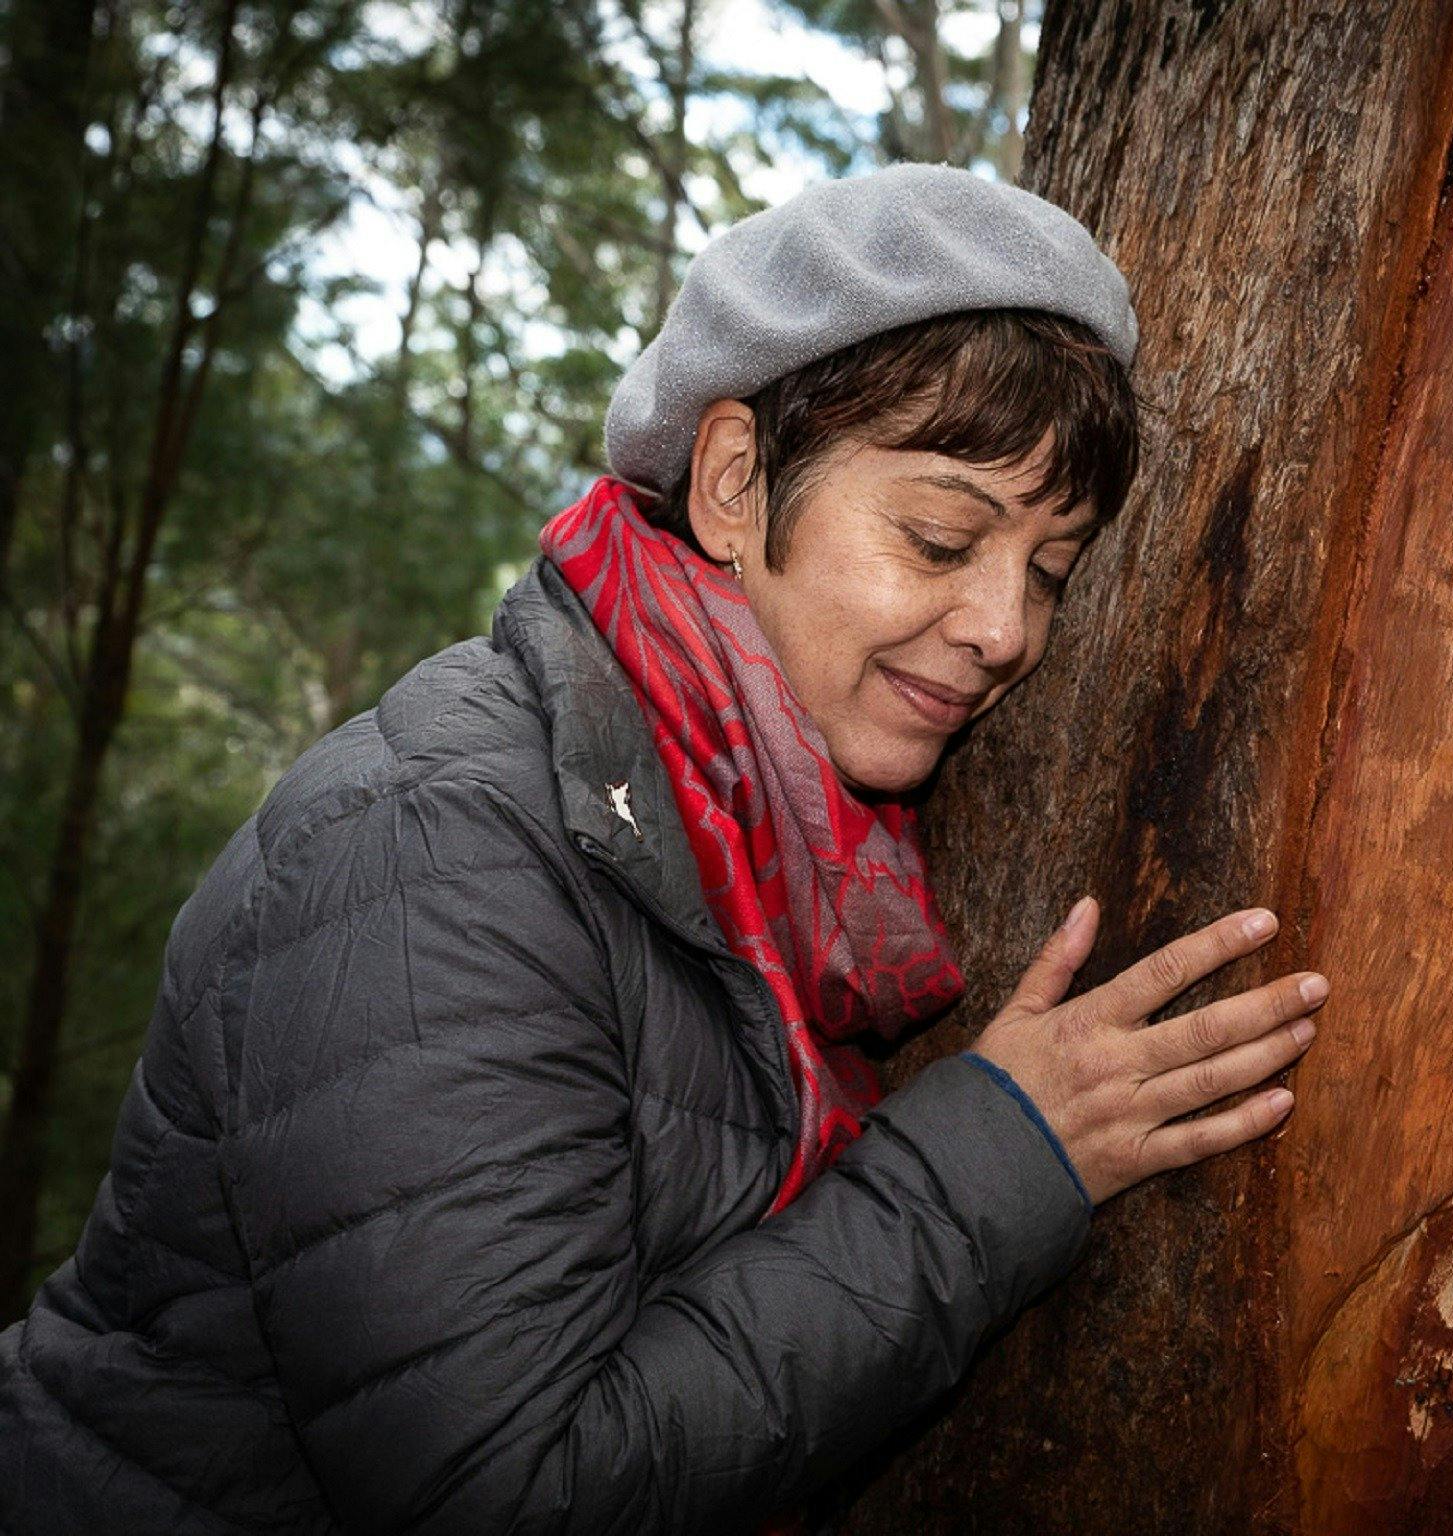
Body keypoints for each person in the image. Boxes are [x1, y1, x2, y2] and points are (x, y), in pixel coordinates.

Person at [0, 163, 1325, 1534]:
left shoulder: (788, 849)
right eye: (942, 538)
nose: (1006, 628)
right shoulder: (441, 844)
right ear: (737, 483)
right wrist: (1000, 1159)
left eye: (1049, 570)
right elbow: (509, 1491)